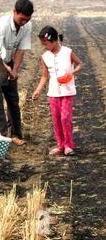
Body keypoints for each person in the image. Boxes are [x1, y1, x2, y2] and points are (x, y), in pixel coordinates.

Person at [0, 0, 34, 146]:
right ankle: (1, 137)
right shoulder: (2, 25)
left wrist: (15, 70)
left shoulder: (27, 26)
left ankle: (16, 134)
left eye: (27, 19)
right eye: (22, 18)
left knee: (13, 98)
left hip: (8, 60)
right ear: (14, 12)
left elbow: (21, 49)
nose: (24, 22)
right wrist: (6, 68)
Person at [32, 26, 82, 156]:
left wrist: (72, 72)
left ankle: (69, 145)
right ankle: (60, 145)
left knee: (65, 118)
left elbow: (80, 64)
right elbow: (44, 76)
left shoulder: (68, 52)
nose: (44, 46)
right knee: (56, 119)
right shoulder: (45, 57)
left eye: (46, 44)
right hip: (53, 92)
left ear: (54, 41)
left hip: (67, 91)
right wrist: (38, 90)